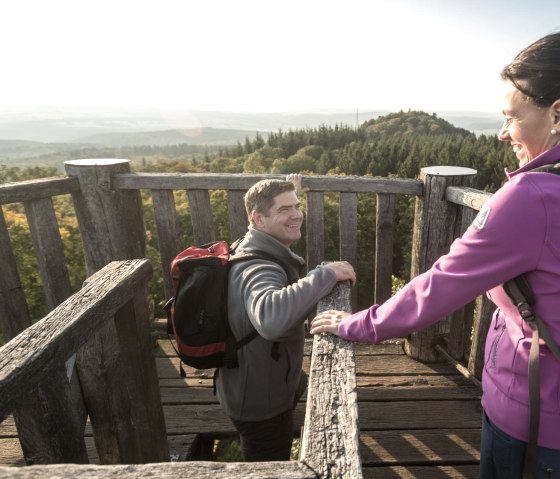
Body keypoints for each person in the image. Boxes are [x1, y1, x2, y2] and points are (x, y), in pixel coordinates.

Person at [310, 32, 560, 478]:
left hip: (537, 420)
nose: (503, 133)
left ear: (557, 112)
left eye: (512, 118)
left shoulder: (533, 197)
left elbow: (440, 285)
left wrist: (356, 324)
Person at [214, 176, 356, 462]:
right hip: (259, 406)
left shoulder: (255, 242)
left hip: (252, 383)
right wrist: (325, 274)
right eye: (284, 209)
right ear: (258, 218)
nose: (296, 215)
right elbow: (271, 319)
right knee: (268, 467)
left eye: (297, 206)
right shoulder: (258, 267)